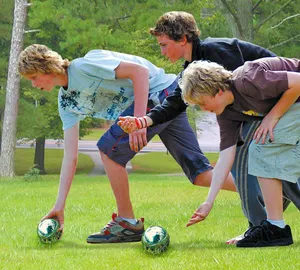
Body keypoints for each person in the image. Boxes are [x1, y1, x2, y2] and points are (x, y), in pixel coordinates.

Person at [18, 44, 236, 244]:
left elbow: (139, 73)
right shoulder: (66, 103)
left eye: (34, 77)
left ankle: (127, 223)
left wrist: (141, 122)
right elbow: (70, 157)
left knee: (108, 149)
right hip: (164, 97)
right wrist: (59, 206)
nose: (34, 84)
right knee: (200, 174)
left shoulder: (85, 65)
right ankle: (261, 193)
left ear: (47, 67)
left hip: (162, 95)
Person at [118, 11, 299, 244]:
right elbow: (175, 104)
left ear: (182, 39)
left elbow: (257, 83)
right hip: (256, 108)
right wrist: (144, 121)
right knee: (248, 159)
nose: (161, 52)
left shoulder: (221, 56)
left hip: (285, 101)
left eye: (164, 45)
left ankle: (270, 225)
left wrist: (272, 117)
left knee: (262, 152)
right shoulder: (196, 76)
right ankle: (262, 226)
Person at [179, 57, 300, 247]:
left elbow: (298, 83)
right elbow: (226, 158)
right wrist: (208, 202)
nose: (204, 109)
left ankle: (275, 228)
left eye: (203, 103)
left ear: (218, 90)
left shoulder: (248, 79)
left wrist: (272, 117)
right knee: (269, 152)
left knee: (261, 148)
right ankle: (275, 227)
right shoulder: (227, 114)